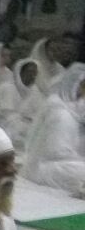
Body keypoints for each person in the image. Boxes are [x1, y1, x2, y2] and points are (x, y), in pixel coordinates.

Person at [23, 63, 85, 197]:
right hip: (44, 167)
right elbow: (56, 152)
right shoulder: (60, 112)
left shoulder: (74, 111)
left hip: (64, 163)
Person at [0, 57, 42, 151]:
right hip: (6, 128)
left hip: (28, 129)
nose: (32, 76)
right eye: (29, 72)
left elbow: (38, 114)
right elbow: (8, 118)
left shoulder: (35, 91)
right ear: (20, 72)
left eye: (35, 73)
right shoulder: (7, 89)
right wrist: (27, 126)